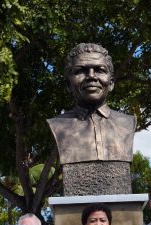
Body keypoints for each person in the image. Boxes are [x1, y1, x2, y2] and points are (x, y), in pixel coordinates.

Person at [47, 43, 136, 195]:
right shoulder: (58, 125)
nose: (91, 76)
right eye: (80, 71)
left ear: (112, 82)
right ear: (68, 84)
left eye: (100, 70)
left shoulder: (128, 122)